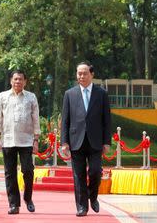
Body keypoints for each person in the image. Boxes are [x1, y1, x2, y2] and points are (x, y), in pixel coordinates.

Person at [60, 61, 111, 217]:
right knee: (78, 176)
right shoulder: (70, 94)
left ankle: (93, 196)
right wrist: (64, 142)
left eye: (84, 73)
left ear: (92, 74)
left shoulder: (101, 93)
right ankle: (82, 207)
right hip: (76, 141)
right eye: (79, 73)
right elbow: (66, 120)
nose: (81, 76)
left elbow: (106, 119)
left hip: (95, 141)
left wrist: (107, 142)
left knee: (95, 172)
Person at [0, 70, 40, 215]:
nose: (18, 82)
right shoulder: (2, 96)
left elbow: (36, 119)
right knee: (10, 174)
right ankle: (14, 204)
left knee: (28, 170)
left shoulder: (31, 97)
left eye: (20, 79)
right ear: (11, 81)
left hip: (26, 140)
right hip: (8, 140)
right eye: (15, 79)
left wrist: (36, 140)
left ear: (25, 82)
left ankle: (28, 198)